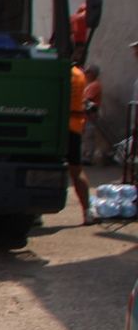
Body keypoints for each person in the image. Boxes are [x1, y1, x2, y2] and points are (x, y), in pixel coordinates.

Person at [70, 64, 92, 225]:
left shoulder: (57, 71)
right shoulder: (80, 75)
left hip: (55, 127)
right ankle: (88, 212)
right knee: (76, 170)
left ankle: (36, 214)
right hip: (75, 127)